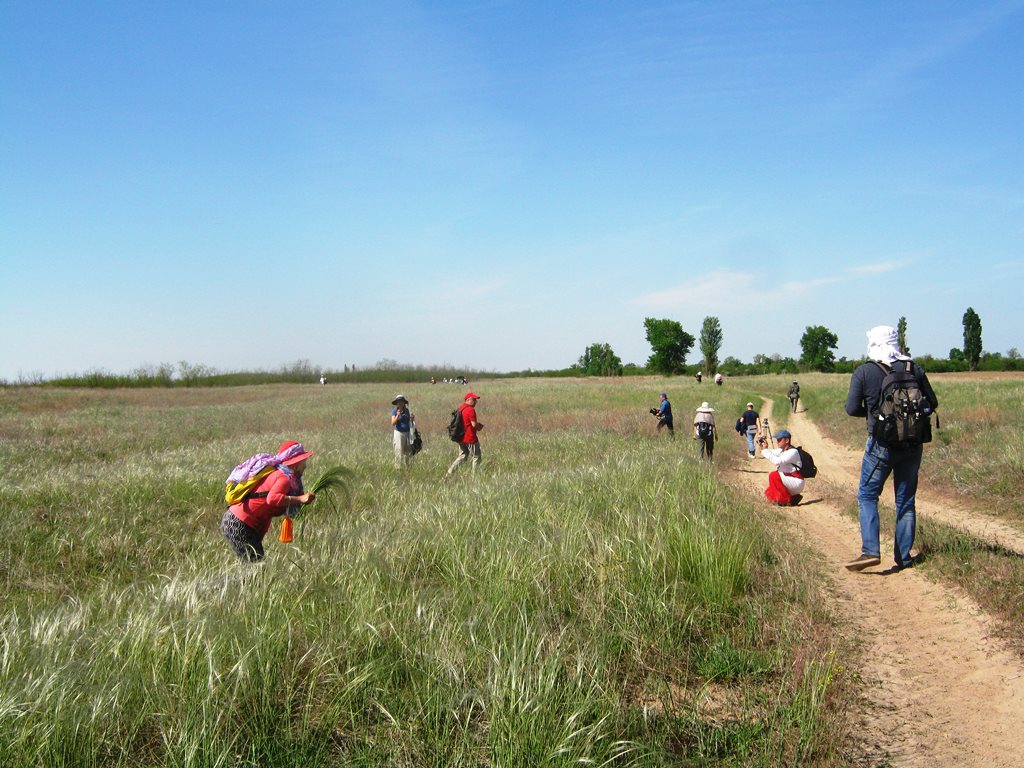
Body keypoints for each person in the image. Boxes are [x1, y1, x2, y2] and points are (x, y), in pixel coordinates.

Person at [844, 325, 938, 572]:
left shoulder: (865, 371)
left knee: (867, 495)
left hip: (881, 444)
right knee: (905, 500)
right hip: (912, 443)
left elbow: (851, 408)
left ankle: (871, 550)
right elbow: (933, 402)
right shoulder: (913, 368)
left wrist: (875, 415)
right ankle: (904, 557)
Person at [221, 440, 316, 562]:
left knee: (253, 566)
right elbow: (273, 499)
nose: (305, 466)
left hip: (244, 524)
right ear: (296, 463)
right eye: (304, 462)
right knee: (255, 565)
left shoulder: (285, 477)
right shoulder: (283, 478)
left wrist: (299, 500)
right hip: (239, 523)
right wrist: (300, 499)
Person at [761, 429, 805, 506]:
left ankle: (786, 500)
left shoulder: (793, 452)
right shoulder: (782, 450)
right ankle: (791, 498)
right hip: (789, 480)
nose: (777, 441)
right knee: (769, 493)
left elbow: (777, 461)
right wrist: (765, 448)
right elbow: (771, 452)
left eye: (779, 439)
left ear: (787, 440)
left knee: (773, 475)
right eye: (777, 439)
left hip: (796, 481)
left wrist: (765, 451)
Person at [447, 392, 483, 476]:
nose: (475, 402)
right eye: (474, 400)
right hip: (470, 437)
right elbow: (474, 424)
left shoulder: (460, 408)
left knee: (463, 456)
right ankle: (475, 477)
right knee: (476, 456)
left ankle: (449, 473)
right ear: (468, 400)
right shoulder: (470, 409)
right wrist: (479, 426)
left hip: (461, 437)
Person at [391, 394, 416, 468]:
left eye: (401, 402)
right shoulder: (394, 411)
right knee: (398, 452)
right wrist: (397, 415)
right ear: (397, 403)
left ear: (404, 402)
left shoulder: (407, 410)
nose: (400, 403)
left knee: (408, 452)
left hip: (408, 434)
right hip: (399, 434)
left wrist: (412, 419)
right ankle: (398, 469)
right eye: (398, 402)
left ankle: (408, 468)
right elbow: (393, 423)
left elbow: (410, 422)